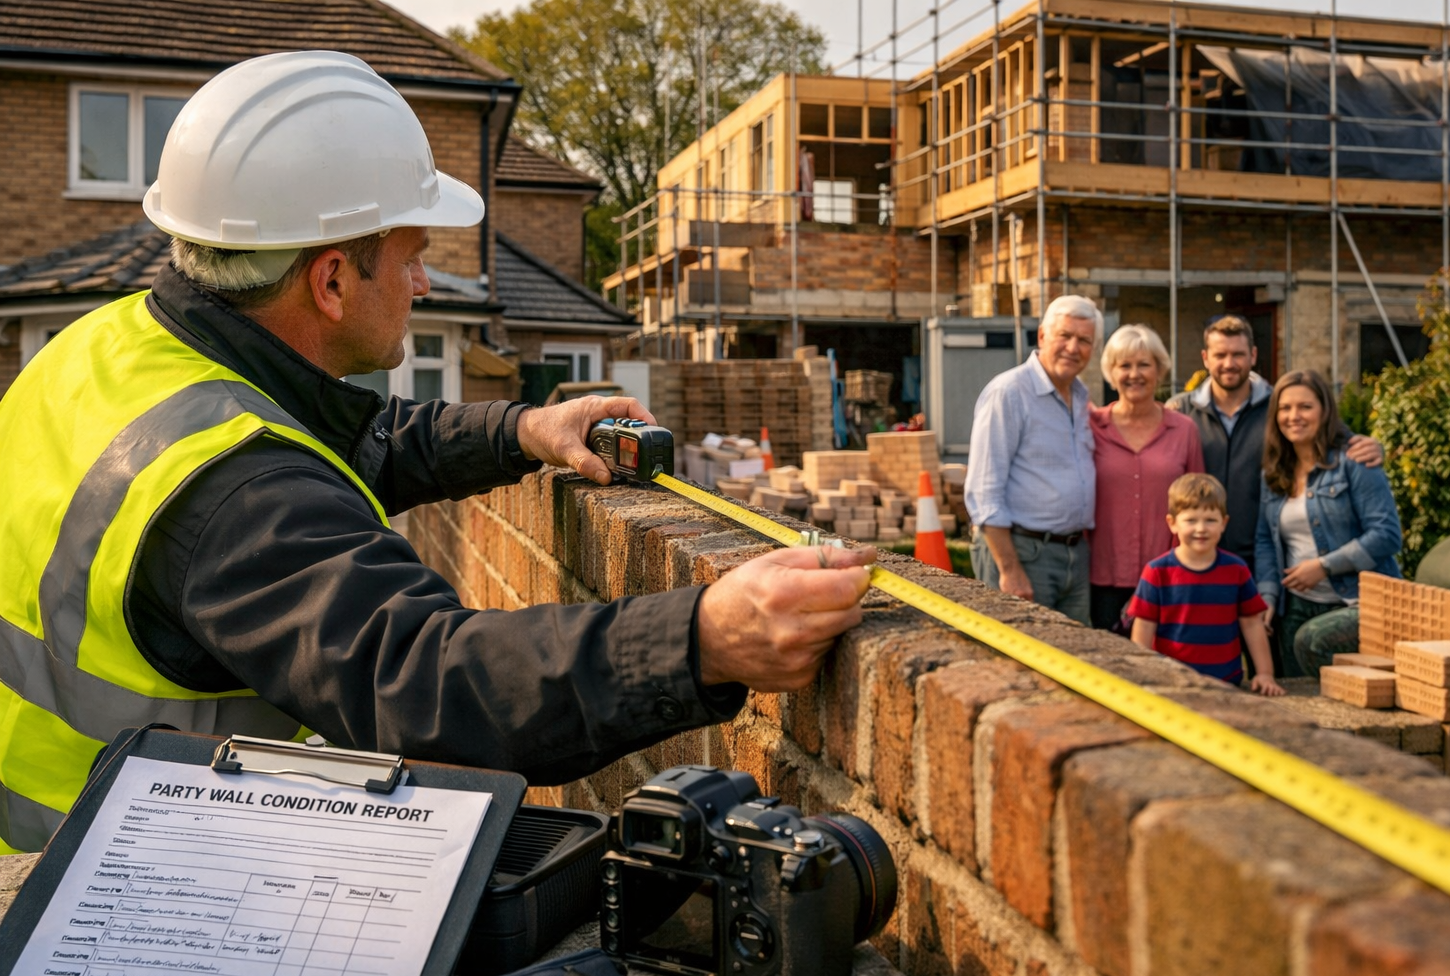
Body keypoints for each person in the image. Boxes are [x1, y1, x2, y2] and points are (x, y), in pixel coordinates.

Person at [0, 52, 875, 854]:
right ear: (332, 281)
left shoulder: (114, 346)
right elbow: (421, 683)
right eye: (414, 258)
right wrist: (701, 639)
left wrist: (523, 431)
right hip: (95, 888)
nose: (424, 284)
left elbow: (348, 443)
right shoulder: (235, 493)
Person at [1167, 315, 1382, 572]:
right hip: (1197, 559)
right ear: (1205, 358)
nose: (1229, 363)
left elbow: (1335, 437)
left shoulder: (1279, 409)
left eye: (1238, 354)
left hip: (1266, 559)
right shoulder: (1181, 412)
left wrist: (1375, 447)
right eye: (1220, 355)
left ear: (1253, 355)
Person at [1254, 370, 1403, 678]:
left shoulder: (1355, 461)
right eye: (1285, 408)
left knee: (1318, 650)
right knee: (1301, 702)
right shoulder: (1274, 472)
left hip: (1355, 601)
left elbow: (1387, 535)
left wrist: (1323, 566)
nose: (1294, 416)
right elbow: (1265, 541)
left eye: (1305, 407)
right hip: (1295, 604)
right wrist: (1267, 596)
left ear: (1324, 410)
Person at [965, 295, 1100, 625]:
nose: (1073, 347)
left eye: (1084, 340)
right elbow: (983, 492)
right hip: (1024, 553)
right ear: (1041, 336)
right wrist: (1010, 569)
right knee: (1022, 666)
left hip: (1074, 556)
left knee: (1075, 661)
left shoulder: (1081, 397)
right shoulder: (1009, 393)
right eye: (1064, 336)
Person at [1087, 325, 1204, 631]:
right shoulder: (1091, 427)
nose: (1134, 374)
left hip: (1168, 575)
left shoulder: (1184, 430)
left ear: (1159, 370)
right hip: (1102, 576)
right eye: (1124, 365)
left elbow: (1198, 503)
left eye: (1144, 364)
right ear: (1111, 373)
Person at [1129, 474, 1281, 695]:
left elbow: (1252, 624)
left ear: (1223, 523)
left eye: (1210, 520)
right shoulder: (1156, 572)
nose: (1201, 528)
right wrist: (1142, 675)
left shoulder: (1236, 570)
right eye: (1191, 520)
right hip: (1172, 682)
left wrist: (1265, 673)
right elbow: (1143, 628)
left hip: (1226, 683)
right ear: (1172, 523)